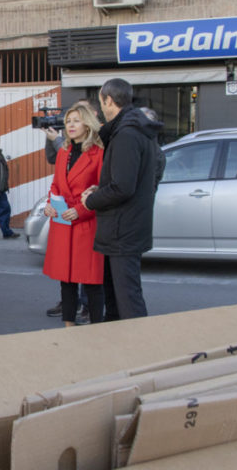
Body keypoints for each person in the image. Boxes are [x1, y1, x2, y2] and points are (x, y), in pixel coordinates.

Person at [80, 79, 163, 321]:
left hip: (122, 229)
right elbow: (126, 180)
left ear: (108, 101)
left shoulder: (127, 134)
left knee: (128, 299)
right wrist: (102, 187)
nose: (102, 107)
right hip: (123, 227)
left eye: (102, 100)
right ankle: (117, 347)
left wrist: (92, 200)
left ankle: (137, 350)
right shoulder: (133, 130)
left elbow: (123, 187)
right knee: (115, 297)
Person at [43, 104, 105, 326]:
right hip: (62, 222)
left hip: (85, 225)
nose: (70, 125)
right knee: (66, 280)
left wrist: (80, 211)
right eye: (68, 121)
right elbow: (56, 184)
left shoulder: (99, 153)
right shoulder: (64, 152)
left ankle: (97, 328)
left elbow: (102, 191)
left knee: (91, 281)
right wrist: (50, 204)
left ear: (87, 123)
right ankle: (69, 325)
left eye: (76, 120)